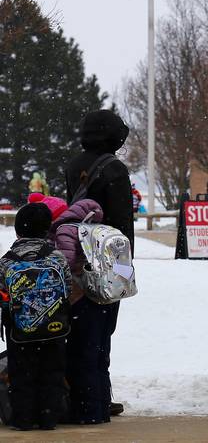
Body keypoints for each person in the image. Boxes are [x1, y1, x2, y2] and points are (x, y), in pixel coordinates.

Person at [65, 109, 134, 419]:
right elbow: (122, 227)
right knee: (103, 329)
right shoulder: (114, 169)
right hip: (106, 261)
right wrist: (125, 269)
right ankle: (97, 397)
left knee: (81, 329)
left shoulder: (73, 165)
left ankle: (81, 393)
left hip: (75, 256)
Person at [0, 203, 71, 430]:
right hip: (54, 327)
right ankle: (48, 417)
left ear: (18, 230)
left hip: (19, 330)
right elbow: (67, 287)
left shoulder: (7, 261)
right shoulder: (57, 258)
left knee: (21, 374)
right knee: (51, 372)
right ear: (46, 229)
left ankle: (23, 418)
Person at [50, 198, 115, 424]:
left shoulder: (66, 230)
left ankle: (87, 413)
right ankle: (102, 409)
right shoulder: (100, 229)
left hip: (82, 300)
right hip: (106, 298)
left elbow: (64, 264)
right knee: (99, 357)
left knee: (81, 357)